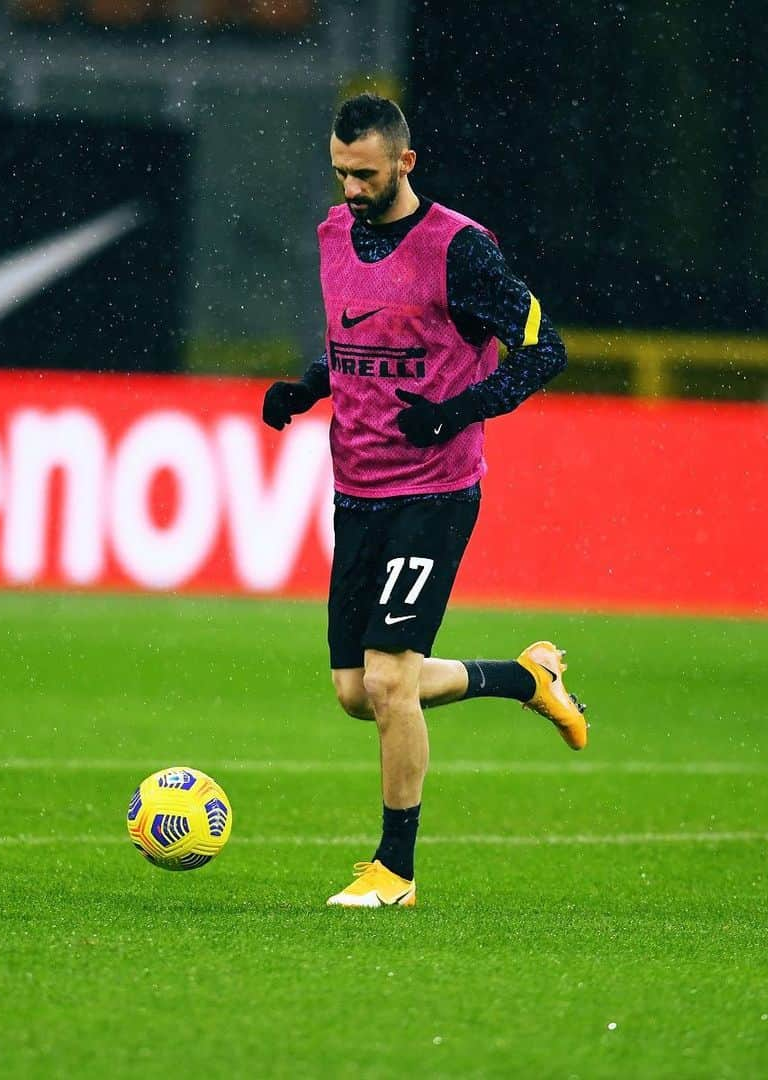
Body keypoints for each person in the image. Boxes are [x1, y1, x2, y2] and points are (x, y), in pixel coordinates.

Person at [262, 93, 588, 908]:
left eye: (365, 174)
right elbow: (355, 336)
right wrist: (308, 387)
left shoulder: (461, 250)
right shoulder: (334, 233)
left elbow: (545, 348)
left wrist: (456, 410)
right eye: (340, 173)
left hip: (433, 492)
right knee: (355, 692)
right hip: (357, 487)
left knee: (388, 681)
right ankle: (524, 681)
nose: (350, 190)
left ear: (405, 162)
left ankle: (395, 871)